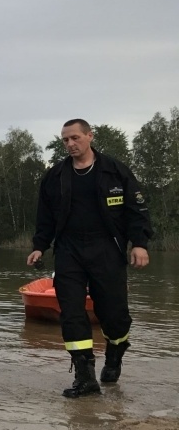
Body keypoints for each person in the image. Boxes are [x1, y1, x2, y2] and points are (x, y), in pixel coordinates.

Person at [26, 119, 153, 398]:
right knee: (71, 313)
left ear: (89, 136)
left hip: (107, 248)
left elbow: (136, 210)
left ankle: (115, 354)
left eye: (75, 138)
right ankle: (85, 379)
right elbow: (44, 217)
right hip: (69, 251)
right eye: (65, 140)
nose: (70, 144)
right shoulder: (55, 176)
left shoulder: (115, 171)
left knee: (114, 315)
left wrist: (139, 244)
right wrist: (39, 246)